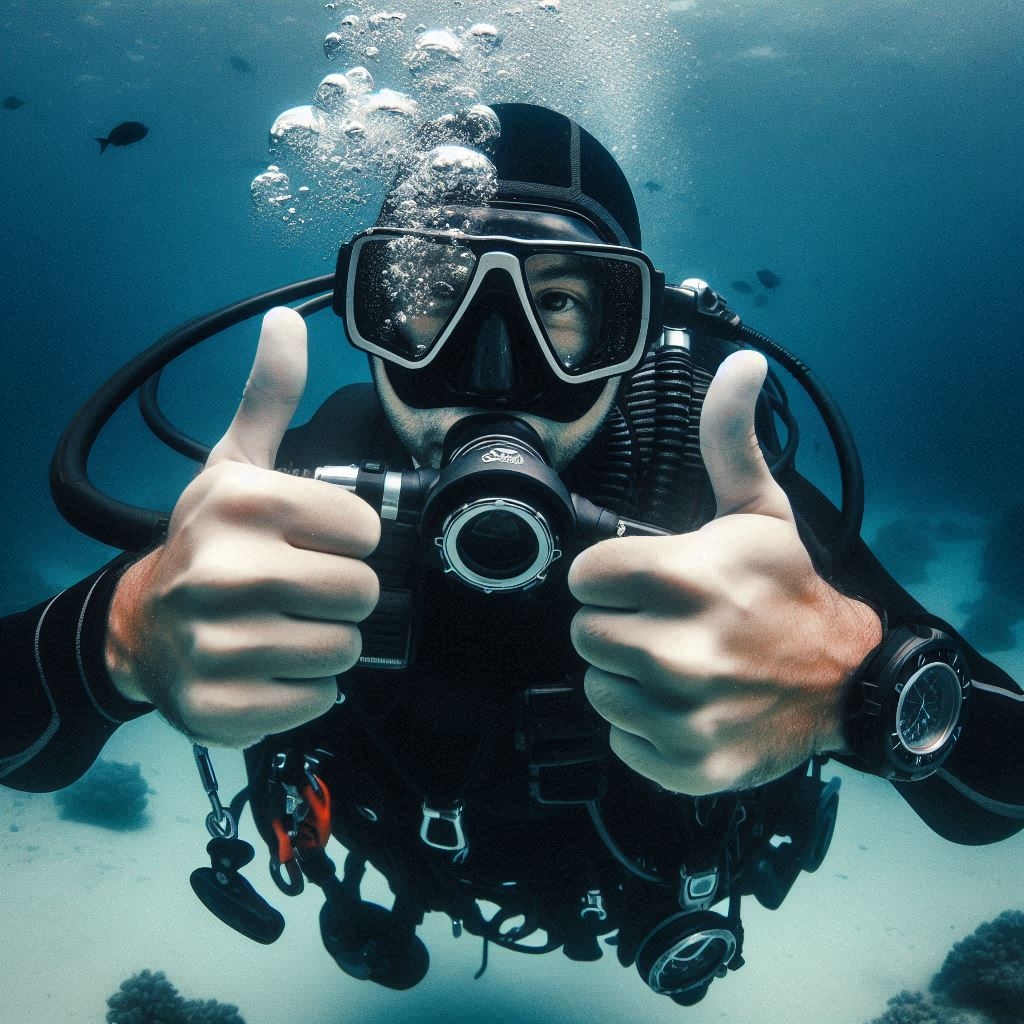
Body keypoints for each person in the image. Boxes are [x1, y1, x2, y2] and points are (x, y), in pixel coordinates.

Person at [2, 103, 1022, 1003]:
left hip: (650, 888)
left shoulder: (711, 499)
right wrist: (122, 634)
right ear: (370, 315)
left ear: (632, 331)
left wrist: (857, 679)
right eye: (433, 299)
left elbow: (1003, 793)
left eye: (562, 305)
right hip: (405, 869)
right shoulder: (310, 483)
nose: (494, 369)